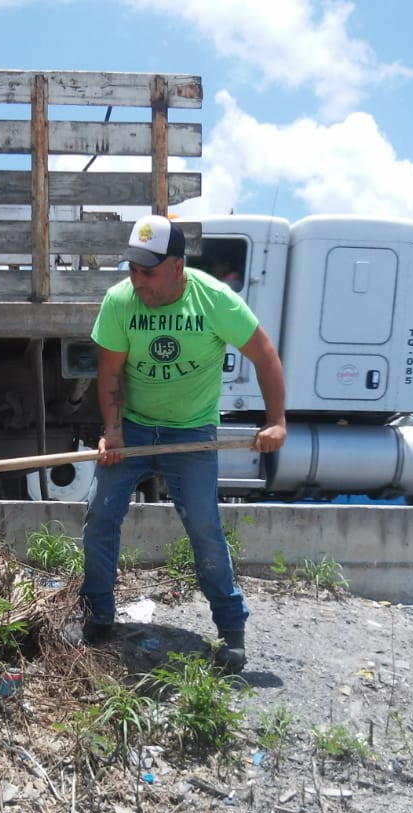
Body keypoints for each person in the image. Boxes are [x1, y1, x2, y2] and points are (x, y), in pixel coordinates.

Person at [79, 214, 287, 674]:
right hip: (133, 427)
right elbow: (110, 372)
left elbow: (265, 354)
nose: (138, 281)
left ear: (178, 266)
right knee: (101, 515)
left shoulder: (213, 301)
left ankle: (231, 629)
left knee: (205, 528)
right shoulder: (119, 302)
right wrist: (112, 431)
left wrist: (276, 422)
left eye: (148, 271)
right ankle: (96, 614)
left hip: (191, 432)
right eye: (132, 269)